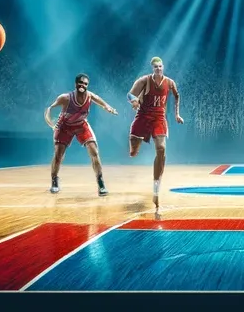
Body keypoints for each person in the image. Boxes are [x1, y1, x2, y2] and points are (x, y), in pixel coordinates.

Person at [45, 73, 118, 196]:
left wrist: (107, 107)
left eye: (85, 84)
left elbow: (99, 100)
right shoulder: (66, 98)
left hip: (81, 125)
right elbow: (49, 109)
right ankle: (54, 180)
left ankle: (100, 183)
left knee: (94, 152)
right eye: (81, 83)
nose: (83, 85)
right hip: (64, 127)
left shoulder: (89, 96)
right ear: (76, 84)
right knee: (58, 155)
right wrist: (51, 124)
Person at [127, 56, 183, 214]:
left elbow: (177, 96)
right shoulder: (144, 80)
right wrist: (134, 101)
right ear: (152, 68)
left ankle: (156, 189)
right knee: (133, 152)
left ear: (163, 67)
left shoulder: (170, 82)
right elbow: (130, 94)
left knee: (161, 149)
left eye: (160, 66)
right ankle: (133, 144)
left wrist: (177, 115)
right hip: (143, 117)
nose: (158, 69)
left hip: (159, 118)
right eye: (156, 67)